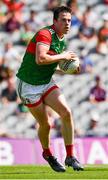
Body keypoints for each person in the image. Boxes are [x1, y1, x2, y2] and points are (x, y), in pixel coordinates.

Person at [16, 6, 83, 172]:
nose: (67, 23)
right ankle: (48, 153)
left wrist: (68, 71)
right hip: (28, 86)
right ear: (54, 21)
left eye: (69, 20)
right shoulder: (45, 34)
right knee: (45, 124)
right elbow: (40, 59)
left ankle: (70, 156)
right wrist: (64, 56)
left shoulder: (61, 39)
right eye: (63, 20)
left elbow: (50, 65)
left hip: (45, 82)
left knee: (66, 113)